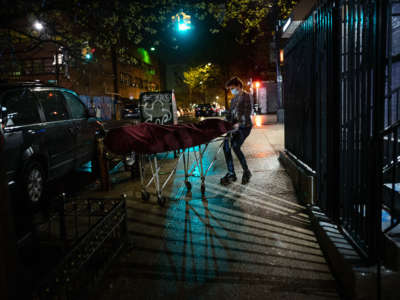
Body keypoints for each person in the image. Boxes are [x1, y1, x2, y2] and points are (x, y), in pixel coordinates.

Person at [221, 76, 252, 185]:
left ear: (239, 86)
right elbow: (231, 114)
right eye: (230, 89)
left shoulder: (246, 96)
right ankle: (231, 173)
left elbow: (247, 112)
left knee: (235, 146)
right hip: (234, 127)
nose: (231, 91)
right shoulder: (233, 99)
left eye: (232, 88)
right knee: (225, 145)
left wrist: (239, 123)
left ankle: (246, 171)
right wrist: (225, 118)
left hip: (245, 126)